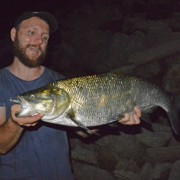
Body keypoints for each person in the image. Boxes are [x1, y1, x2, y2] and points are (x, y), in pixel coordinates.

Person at [0, 11, 141, 179]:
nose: (39, 41)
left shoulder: (61, 83)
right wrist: (15, 123)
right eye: (31, 33)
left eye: (45, 37)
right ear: (13, 34)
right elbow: (1, 146)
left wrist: (115, 115)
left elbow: (84, 131)